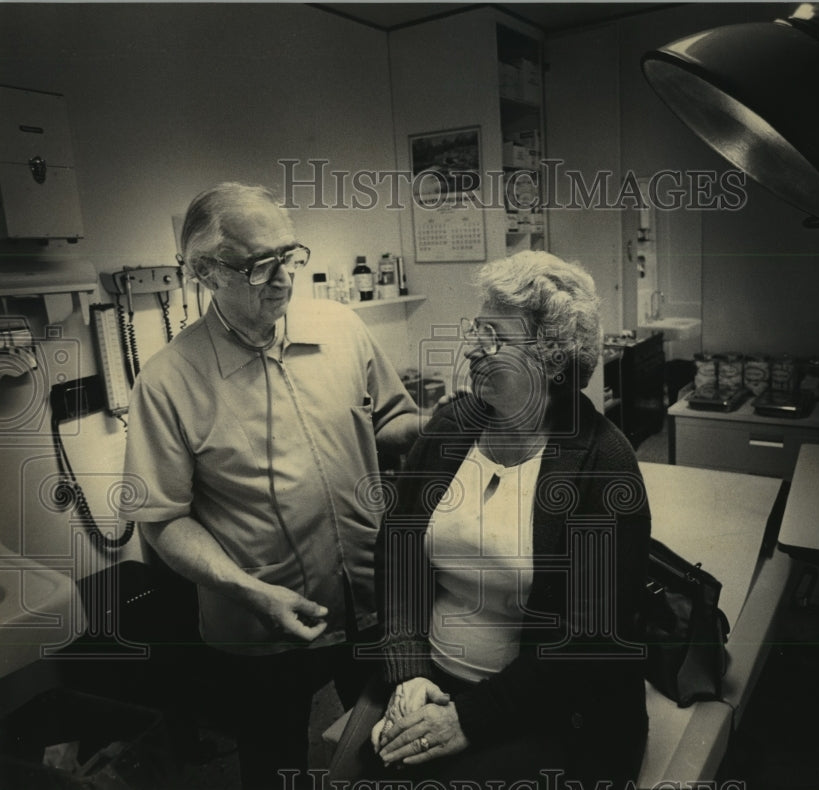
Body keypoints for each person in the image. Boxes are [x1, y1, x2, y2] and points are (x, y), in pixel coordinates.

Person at [120, 182, 422, 789]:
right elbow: (161, 521)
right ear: (205, 271)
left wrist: (441, 432)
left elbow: (396, 418)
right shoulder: (169, 380)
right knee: (274, 764)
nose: (283, 277)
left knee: (388, 748)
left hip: (371, 596)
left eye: (290, 255)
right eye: (260, 265)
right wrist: (249, 591)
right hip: (261, 626)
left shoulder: (340, 327)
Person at [331, 251, 651, 787]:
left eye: (496, 337)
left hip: (549, 706)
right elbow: (398, 555)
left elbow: (589, 640)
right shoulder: (451, 428)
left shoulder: (604, 463)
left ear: (550, 359)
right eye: (477, 329)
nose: (473, 348)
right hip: (430, 681)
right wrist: (408, 670)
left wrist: (466, 720)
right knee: (349, 775)